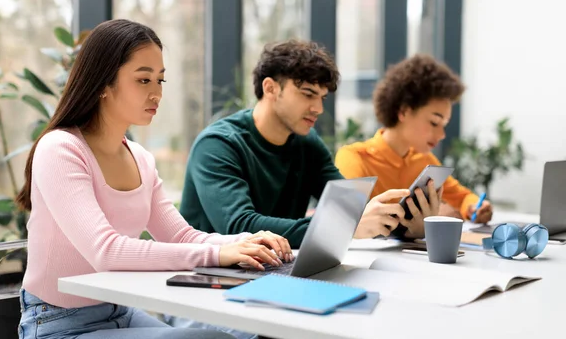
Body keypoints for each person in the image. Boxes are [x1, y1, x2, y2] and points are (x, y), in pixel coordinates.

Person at [14, 19, 291, 339]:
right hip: (58, 332)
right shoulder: (61, 149)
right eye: (143, 79)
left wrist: (246, 242)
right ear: (104, 82)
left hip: (121, 315)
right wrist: (217, 256)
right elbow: (106, 252)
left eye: (159, 79)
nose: (156, 92)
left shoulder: (140, 158)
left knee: (253, 336)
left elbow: (181, 235)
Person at [179, 39, 411, 247]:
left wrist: (407, 223)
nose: (318, 109)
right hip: (207, 275)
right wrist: (342, 227)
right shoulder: (217, 145)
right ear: (270, 88)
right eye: (307, 94)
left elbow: (349, 207)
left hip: (275, 267)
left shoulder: (306, 143)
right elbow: (239, 226)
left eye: (322, 98)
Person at [335, 54, 493, 237]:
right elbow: (343, 224)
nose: (441, 135)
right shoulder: (354, 158)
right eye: (434, 122)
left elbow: (463, 196)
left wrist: (476, 207)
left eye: (444, 125)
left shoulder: (424, 160)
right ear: (403, 111)